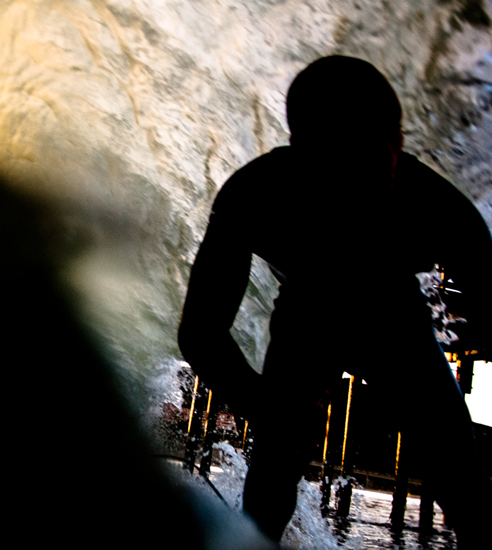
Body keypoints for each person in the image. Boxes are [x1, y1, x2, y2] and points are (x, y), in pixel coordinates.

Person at [177, 55, 492, 547]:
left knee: (465, 484)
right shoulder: (253, 196)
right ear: (300, 152)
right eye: (350, 154)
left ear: (401, 142)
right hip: (309, 310)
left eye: (389, 144)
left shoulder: (440, 210)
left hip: (395, 314)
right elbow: (199, 333)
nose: (380, 164)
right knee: (268, 493)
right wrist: (259, 404)